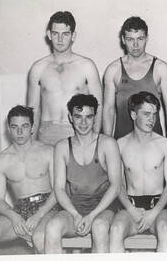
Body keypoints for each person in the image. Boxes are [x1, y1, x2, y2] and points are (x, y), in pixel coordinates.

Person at [0, 105, 58, 255]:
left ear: (32, 128)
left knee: (40, 238)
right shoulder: (1, 161)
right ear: (9, 129)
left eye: (25, 126)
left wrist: (39, 215)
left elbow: (58, 191)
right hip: (20, 209)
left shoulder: (48, 151)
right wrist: (14, 217)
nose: (19, 132)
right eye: (15, 127)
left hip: (48, 207)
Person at [44, 94, 121, 253]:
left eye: (88, 117)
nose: (84, 122)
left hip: (103, 209)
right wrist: (76, 215)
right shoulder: (62, 147)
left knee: (99, 227)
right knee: (52, 227)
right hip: (74, 208)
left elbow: (116, 186)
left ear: (95, 118)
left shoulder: (107, 143)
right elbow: (59, 188)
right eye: (78, 117)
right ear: (70, 118)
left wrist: (92, 216)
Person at [27, 11, 103, 146]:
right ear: (49, 35)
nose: (60, 39)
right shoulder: (38, 68)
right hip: (47, 132)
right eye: (56, 34)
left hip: (78, 131)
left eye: (65, 34)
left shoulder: (86, 66)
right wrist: (31, 146)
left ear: (73, 36)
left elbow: (98, 106)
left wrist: (94, 141)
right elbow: (33, 110)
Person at [109, 91, 167, 252]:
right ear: (133, 114)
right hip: (131, 206)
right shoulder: (120, 144)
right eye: (146, 114)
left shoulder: (165, 144)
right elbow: (118, 185)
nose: (151, 119)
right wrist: (132, 210)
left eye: (154, 114)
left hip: (158, 207)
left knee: (165, 229)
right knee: (115, 229)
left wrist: (153, 213)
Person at [103, 16, 167, 142]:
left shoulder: (160, 68)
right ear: (123, 40)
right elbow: (108, 110)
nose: (135, 45)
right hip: (122, 143)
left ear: (146, 38)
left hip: (154, 144)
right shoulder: (113, 70)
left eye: (140, 39)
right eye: (130, 39)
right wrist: (107, 145)